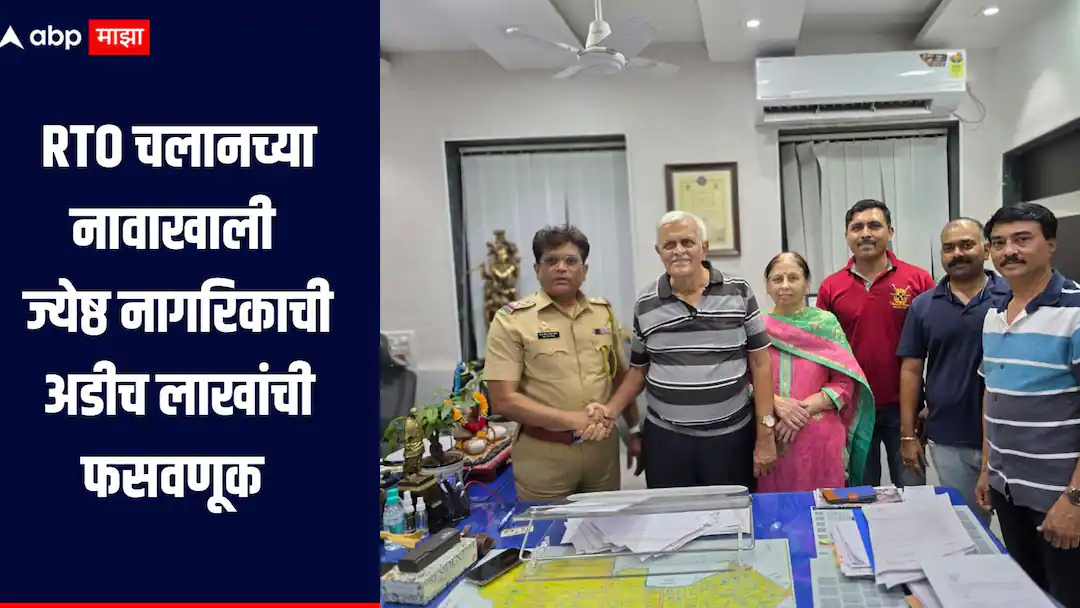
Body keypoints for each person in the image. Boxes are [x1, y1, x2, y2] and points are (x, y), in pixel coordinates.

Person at [603, 210, 777, 489]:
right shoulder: (645, 304)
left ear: (703, 248)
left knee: (732, 512)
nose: (678, 251)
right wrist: (610, 411)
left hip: (731, 438)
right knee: (672, 513)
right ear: (659, 252)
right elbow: (638, 371)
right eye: (669, 245)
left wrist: (765, 433)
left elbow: (760, 363)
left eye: (687, 242)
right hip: (667, 441)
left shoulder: (739, 291)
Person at [483, 224, 641, 500]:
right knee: (548, 527)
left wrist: (635, 432)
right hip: (544, 457)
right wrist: (574, 420)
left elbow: (619, 377)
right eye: (551, 260)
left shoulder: (602, 313)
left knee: (605, 525)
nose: (561, 268)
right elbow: (503, 400)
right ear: (537, 269)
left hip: (602, 454)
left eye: (570, 261)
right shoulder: (512, 320)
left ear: (584, 270)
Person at [974, 203, 1080, 606]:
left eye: (1022, 239)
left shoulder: (1075, 312)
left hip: (1059, 496)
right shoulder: (995, 314)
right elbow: (993, 396)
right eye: (999, 243)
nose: (1009, 251)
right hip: (1009, 490)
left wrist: (1075, 500)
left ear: (1050, 244)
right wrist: (988, 469)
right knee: (1028, 594)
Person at [896, 218, 1007, 526]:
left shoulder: (1012, 296)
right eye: (949, 248)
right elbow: (911, 369)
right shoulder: (924, 305)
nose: (957, 253)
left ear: (986, 250)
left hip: (1009, 437)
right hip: (949, 437)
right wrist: (908, 434)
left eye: (966, 245)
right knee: (969, 527)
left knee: (1020, 532)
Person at [817, 199, 935, 487]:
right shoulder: (831, 287)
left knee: (912, 493)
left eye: (874, 226)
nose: (865, 233)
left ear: (890, 232)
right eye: (857, 227)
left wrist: (933, 400)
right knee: (859, 492)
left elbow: (937, 345)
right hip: (853, 407)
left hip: (906, 407)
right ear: (847, 236)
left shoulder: (918, 280)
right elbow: (821, 351)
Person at [756, 252, 876, 492]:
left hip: (819, 436)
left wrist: (803, 409)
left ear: (807, 283)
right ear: (767, 286)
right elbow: (745, 381)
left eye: (793, 278)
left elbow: (845, 382)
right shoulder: (757, 327)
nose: (785, 285)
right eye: (777, 279)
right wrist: (777, 403)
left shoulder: (825, 324)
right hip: (771, 435)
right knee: (775, 507)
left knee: (824, 505)